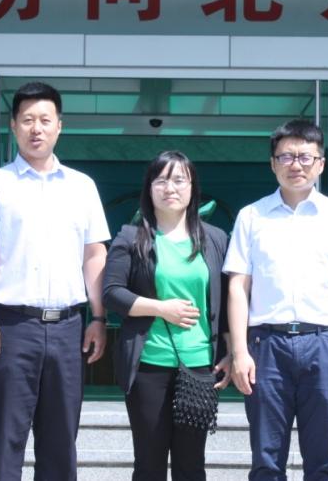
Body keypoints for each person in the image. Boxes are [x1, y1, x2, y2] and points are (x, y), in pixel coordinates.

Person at [0, 81, 110, 481]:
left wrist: (98, 318)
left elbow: (94, 255)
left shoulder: (82, 186)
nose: (36, 128)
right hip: (11, 327)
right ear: (13, 126)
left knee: (61, 442)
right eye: (27, 120)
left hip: (68, 328)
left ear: (59, 126)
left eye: (45, 120)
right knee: (4, 440)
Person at [225, 118, 328, 480]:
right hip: (266, 346)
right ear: (273, 163)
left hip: (325, 344)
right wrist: (239, 352)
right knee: (266, 460)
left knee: (323, 461)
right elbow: (238, 287)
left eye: (306, 157)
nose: (296, 165)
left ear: (321, 163)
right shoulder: (251, 216)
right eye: (286, 157)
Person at [103, 150, 232, 480]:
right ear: (149, 189)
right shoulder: (131, 236)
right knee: (149, 464)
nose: (170, 188)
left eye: (179, 180)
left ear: (192, 188)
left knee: (192, 466)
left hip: (199, 366)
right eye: (161, 180)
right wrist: (161, 308)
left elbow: (226, 301)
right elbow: (112, 293)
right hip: (149, 364)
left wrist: (230, 350)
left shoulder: (215, 238)